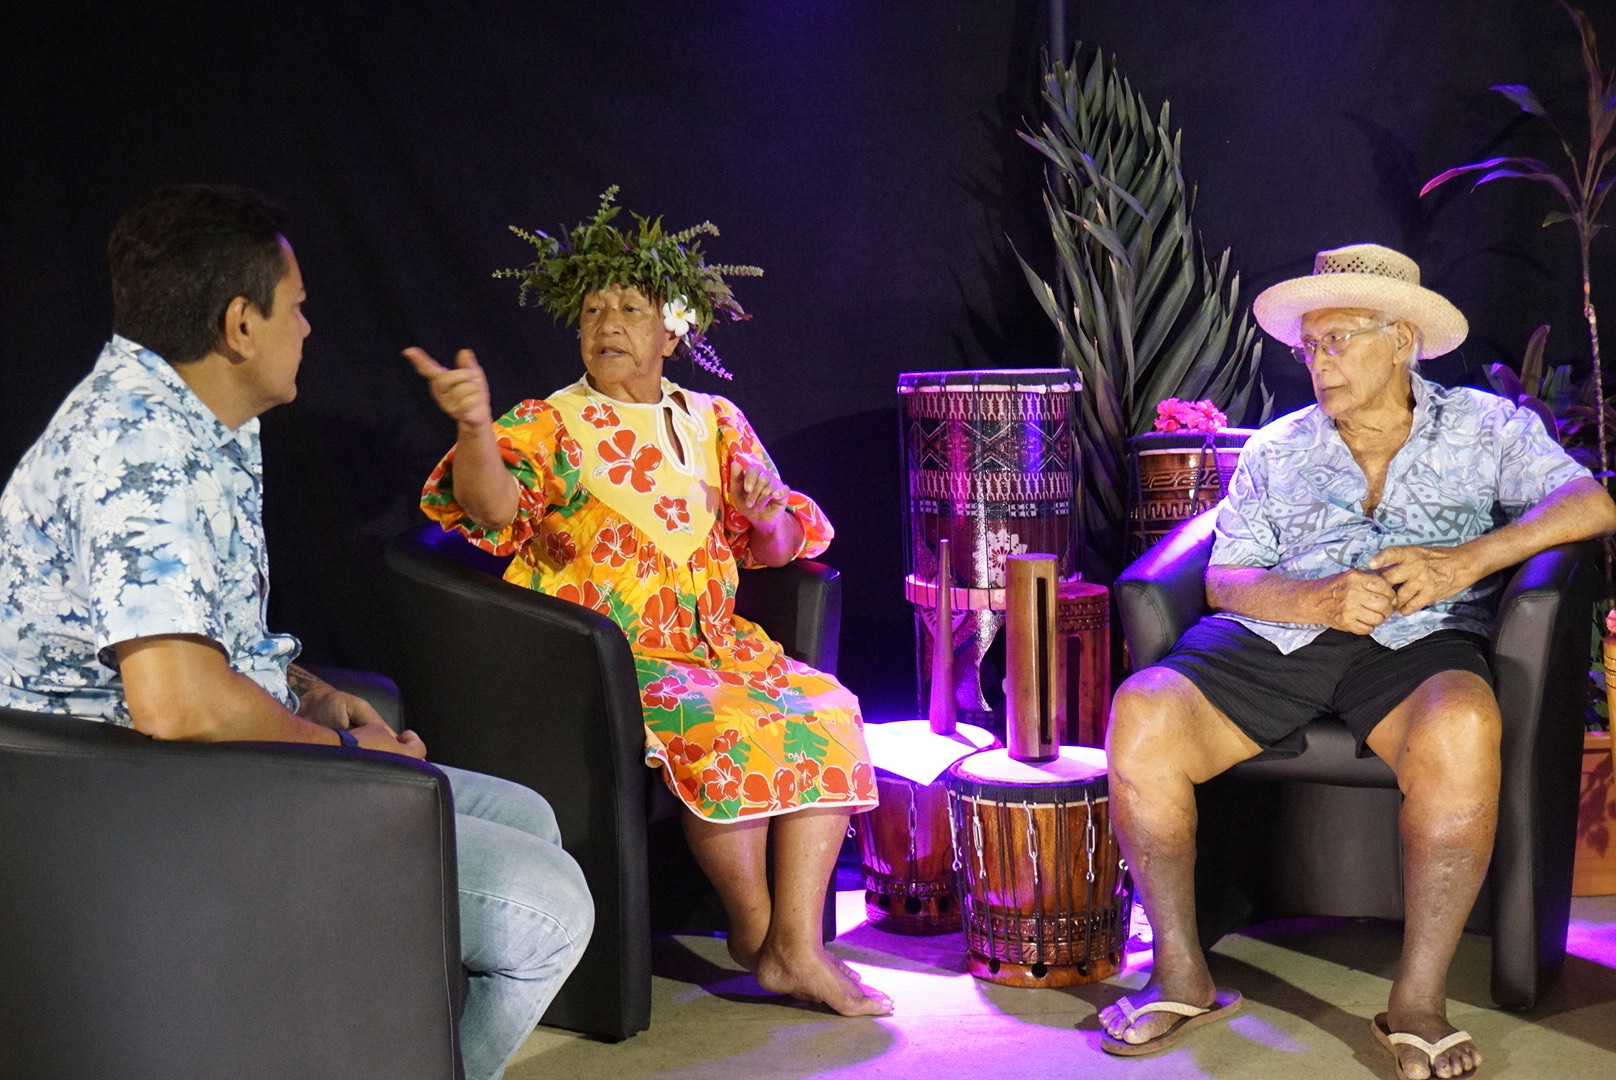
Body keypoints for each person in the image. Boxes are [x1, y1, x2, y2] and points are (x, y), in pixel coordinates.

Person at [0, 185, 593, 1080]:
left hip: (215, 772)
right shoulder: (134, 445)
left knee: (528, 817)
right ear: (241, 323)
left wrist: (315, 695)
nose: (310, 328)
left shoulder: (209, 421)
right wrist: (351, 761)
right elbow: (178, 701)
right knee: (550, 911)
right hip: (138, 808)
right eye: (299, 306)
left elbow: (201, 635)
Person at [1099, 243, 1616, 1079]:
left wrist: (1467, 561)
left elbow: (1589, 502)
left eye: (1340, 340)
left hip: (1422, 640)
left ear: (1402, 338)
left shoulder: (1487, 427)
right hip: (1277, 638)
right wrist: (1316, 600)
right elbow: (1227, 579)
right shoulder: (1278, 448)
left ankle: (1417, 1002)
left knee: (1464, 724)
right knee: (1143, 712)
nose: (1319, 362)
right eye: (1310, 346)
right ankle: (1181, 972)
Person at [407, 187, 891, 1017]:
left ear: (673, 330)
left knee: (827, 707)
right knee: (727, 730)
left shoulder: (715, 420)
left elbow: (776, 551)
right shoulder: (551, 423)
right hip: (611, 656)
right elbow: (490, 514)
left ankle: (797, 948)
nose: (608, 322)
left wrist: (765, 510)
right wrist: (476, 430)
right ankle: (758, 937)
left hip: (716, 644)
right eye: (593, 307)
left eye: (630, 306)